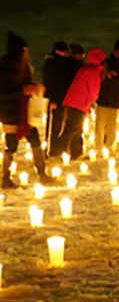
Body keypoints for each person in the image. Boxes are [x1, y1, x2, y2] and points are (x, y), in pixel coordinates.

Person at [0, 32, 53, 188]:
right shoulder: (4, 69)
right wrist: (23, 91)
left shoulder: (24, 67)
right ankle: (5, 178)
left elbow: (26, 84)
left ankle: (42, 173)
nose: (26, 54)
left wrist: (35, 87)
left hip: (25, 113)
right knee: (11, 145)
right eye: (24, 51)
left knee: (35, 139)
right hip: (10, 113)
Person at [57, 48, 106, 159]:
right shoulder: (94, 71)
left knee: (77, 128)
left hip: (72, 101)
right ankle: (59, 149)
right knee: (72, 127)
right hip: (78, 103)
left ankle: (76, 153)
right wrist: (92, 102)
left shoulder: (86, 68)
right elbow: (93, 90)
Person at [42, 41, 77, 155]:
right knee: (54, 124)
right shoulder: (52, 64)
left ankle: (55, 148)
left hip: (61, 97)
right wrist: (52, 99)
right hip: (56, 98)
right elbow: (49, 82)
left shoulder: (58, 62)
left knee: (58, 124)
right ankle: (50, 149)